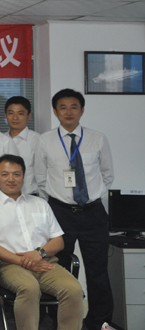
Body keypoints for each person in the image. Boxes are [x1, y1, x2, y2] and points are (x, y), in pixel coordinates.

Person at [34, 88, 114, 330]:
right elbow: (40, 178)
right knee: (57, 267)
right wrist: (58, 202)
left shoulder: (97, 138)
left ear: (82, 110)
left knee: (98, 270)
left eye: (74, 107)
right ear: (55, 111)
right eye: (63, 107)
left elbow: (107, 175)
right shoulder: (45, 140)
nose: (68, 112)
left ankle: (99, 321)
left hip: (93, 213)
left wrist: (90, 198)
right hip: (60, 213)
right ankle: (55, 319)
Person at [0, 154, 84, 330]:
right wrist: (23, 261)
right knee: (29, 288)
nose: (11, 179)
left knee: (73, 289)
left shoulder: (40, 204)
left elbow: (58, 241)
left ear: (24, 176)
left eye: (16, 174)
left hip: (45, 262)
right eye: (5, 174)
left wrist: (39, 253)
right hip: (9, 266)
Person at [4, 96, 39, 195]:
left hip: (30, 196)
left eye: (20, 113)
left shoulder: (38, 140)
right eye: (11, 113)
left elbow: (43, 174)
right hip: (4, 197)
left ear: (29, 115)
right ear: (5, 115)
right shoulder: (0, 140)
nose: (15, 118)